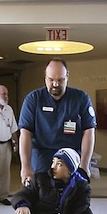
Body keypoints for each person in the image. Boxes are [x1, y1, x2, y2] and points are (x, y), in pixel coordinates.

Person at [18, 58, 96, 186]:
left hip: (70, 158)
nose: (55, 84)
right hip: (42, 158)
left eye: (60, 80)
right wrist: (25, 166)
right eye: (51, 80)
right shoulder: (33, 99)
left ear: (67, 76)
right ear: (45, 77)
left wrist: (84, 165)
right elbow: (25, 133)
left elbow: (89, 131)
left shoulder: (80, 98)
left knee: (71, 199)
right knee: (42, 198)